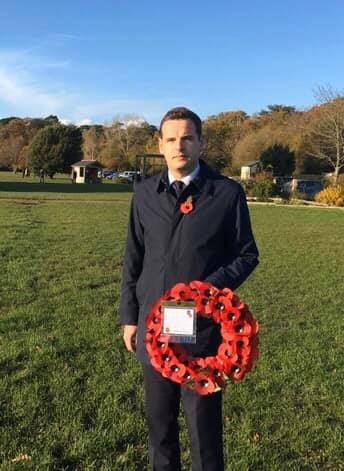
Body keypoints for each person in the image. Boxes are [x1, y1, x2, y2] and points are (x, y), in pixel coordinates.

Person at [119, 106, 259, 471]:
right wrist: (128, 318)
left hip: (203, 335)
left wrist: (205, 292)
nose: (179, 145)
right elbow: (133, 259)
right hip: (153, 330)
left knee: (204, 430)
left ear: (200, 142)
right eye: (171, 139)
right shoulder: (145, 193)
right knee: (160, 427)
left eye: (187, 138)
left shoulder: (226, 194)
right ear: (160, 145)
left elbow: (247, 255)